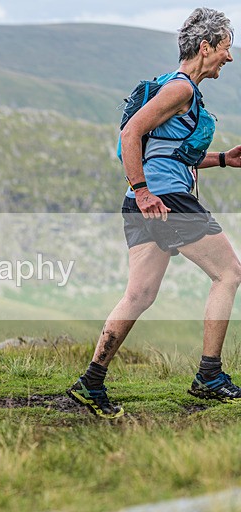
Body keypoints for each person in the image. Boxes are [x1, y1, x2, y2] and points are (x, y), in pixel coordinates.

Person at [67, 8, 241, 419]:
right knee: (229, 273)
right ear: (205, 47)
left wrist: (222, 159)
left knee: (139, 295)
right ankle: (209, 376)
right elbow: (131, 133)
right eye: (226, 48)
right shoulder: (180, 89)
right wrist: (146, 191)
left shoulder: (172, 86)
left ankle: (91, 382)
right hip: (164, 200)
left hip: (144, 201)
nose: (229, 57)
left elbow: (168, 154)